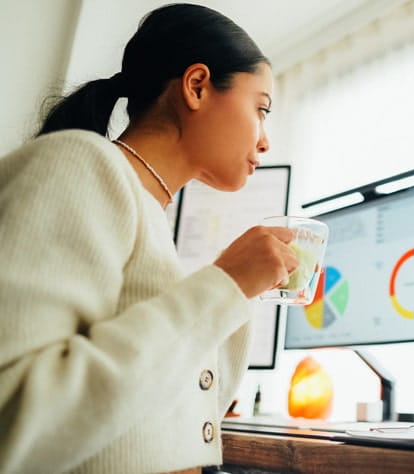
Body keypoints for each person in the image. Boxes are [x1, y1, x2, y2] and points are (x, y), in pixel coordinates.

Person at [0, 4, 299, 473]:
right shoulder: (79, 163)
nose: (265, 141)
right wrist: (227, 284)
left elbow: (167, 417)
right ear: (197, 86)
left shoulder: (149, 217)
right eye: (260, 109)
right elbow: (14, 420)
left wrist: (239, 287)